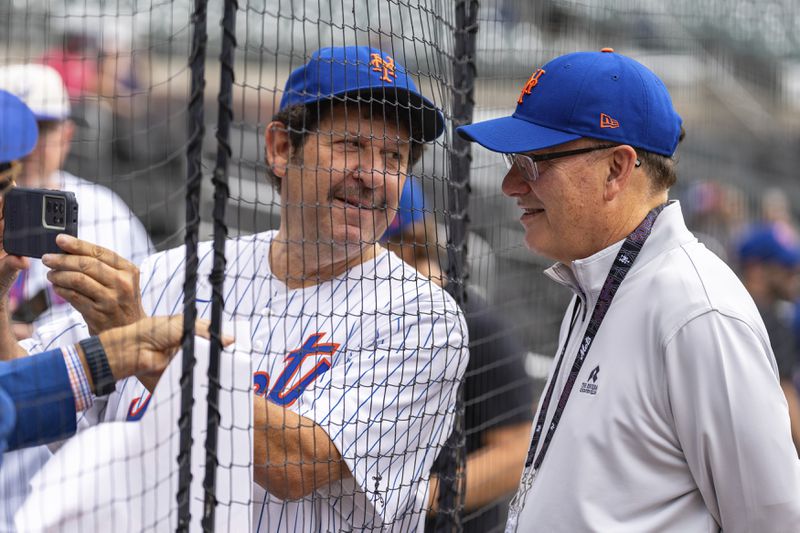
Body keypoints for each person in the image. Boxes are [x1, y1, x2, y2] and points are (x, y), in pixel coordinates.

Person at [24, 46, 468, 531]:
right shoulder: (176, 271)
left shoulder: (425, 320)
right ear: (281, 147)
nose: (373, 177)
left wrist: (135, 341)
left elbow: (295, 465)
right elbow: (30, 386)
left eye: (393, 156)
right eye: (351, 145)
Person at [457, 48, 800, 531]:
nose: (512, 184)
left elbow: (775, 521)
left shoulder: (697, 311)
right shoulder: (599, 279)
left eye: (534, 162)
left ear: (617, 169)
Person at [382, 178, 534, 531]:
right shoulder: (366, 314)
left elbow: (514, 454)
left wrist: (422, 498)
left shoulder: (473, 324)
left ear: (403, 243)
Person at [0, 63, 154, 332]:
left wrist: (39, 339)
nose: (29, 146)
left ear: (67, 135)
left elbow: (149, 311)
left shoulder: (106, 211)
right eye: (15, 130)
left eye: (43, 128)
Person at [737, 223, 800, 454]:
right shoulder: (765, 316)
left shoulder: (735, 301)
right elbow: (786, 392)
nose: (793, 272)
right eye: (785, 267)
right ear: (756, 269)